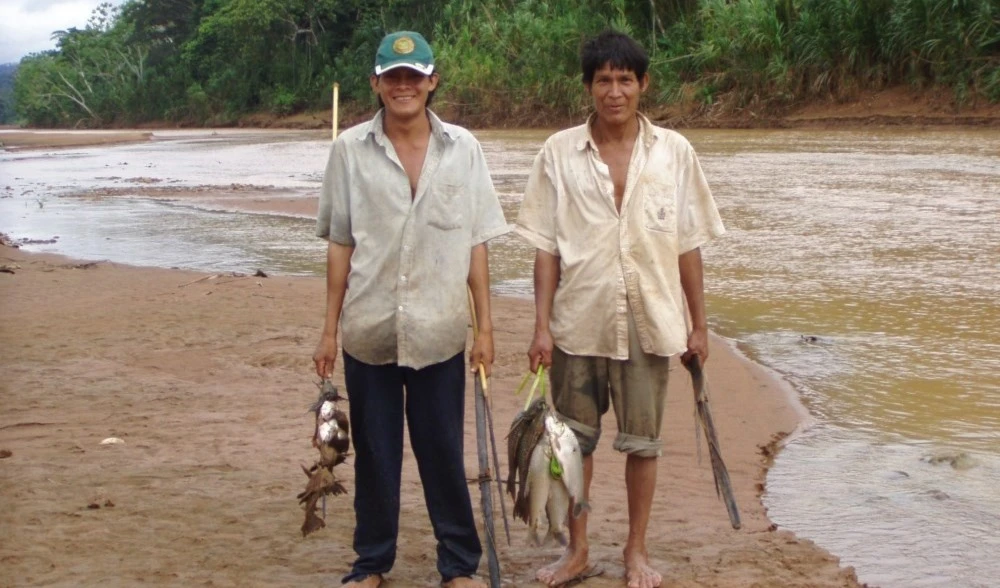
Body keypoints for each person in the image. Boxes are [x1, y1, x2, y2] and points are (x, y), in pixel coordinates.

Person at [515, 30, 726, 588]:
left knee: (642, 443)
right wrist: (540, 328)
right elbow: (545, 249)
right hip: (576, 322)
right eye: (603, 80)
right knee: (571, 444)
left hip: (650, 322)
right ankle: (577, 551)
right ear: (588, 87)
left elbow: (689, 243)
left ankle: (636, 551)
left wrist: (699, 325)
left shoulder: (674, 152)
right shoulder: (557, 152)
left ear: (643, 84)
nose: (614, 91)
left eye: (625, 80)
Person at [312, 30, 509, 588]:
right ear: (376, 83)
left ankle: (457, 566)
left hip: (440, 330)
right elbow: (340, 246)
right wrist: (328, 330)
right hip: (369, 330)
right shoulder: (348, 150)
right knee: (376, 456)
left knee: (443, 453)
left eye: (414, 77)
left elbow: (476, 242)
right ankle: (372, 562)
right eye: (393, 78)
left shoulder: (463, 148)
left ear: (432, 82)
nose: (404, 87)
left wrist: (486, 328)